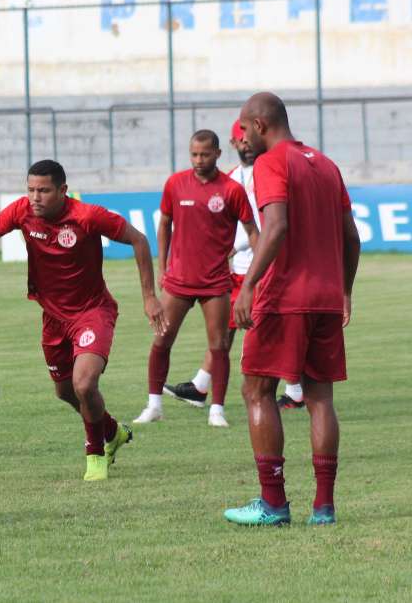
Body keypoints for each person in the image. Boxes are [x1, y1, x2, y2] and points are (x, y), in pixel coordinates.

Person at [0, 160, 168, 481]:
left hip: (93, 312)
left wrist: (149, 296)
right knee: (65, 392)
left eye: (43, 191)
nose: (35, 197)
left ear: (63, 191)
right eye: (31, 190)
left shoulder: (87, 216)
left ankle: (95, 454)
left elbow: (139, 240)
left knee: (84, 383)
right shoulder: (21, 211)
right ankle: (112, 432)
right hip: (53, 318)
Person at [224, 93, 360, 526]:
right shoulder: (325, 164)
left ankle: (274, 504)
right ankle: (324, 508)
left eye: (243, 130)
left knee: (256, 391)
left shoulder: (271, 162)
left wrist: (247, 286)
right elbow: (352, 237)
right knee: (320, 398)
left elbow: (276, 225)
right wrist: (344, 291)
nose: (242, 139)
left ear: (260, 125)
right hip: (324, 296)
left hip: (285, 297)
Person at [165, 121, 305, 414]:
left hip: (266, 265)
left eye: (248, 138)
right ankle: (201, 386)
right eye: (239, 140)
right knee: (227, 329)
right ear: (231, 144)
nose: (245, 144)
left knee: (264, 327)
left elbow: (273, 224)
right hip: (238, 268)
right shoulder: (229, 179)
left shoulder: (275, 170)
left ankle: (295, 389)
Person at [132, 129, 257, 428]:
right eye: (194, 154)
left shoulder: (231, 190)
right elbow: (164, 224)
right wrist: (163, 267)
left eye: (204, 154)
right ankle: (154, 406)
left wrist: (254, 272)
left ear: (217, 154)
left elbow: (254, 234)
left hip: (215, 283)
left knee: (218, 346)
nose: (199, 160)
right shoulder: (176, 184)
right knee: (161, 341)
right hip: (178, 282)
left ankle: (217, 410)